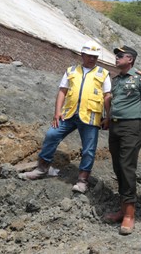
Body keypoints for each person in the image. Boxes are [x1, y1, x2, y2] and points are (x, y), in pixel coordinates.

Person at [20, 41, 112, 193]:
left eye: (95, 57)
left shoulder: (103, 74)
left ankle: (82, 180)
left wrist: (108, 117)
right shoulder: (71, 71)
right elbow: (62, 91)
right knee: (51, 135)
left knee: (89, 149)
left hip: (90, 116)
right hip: (69, 114)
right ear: (82, 55)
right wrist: (57, 112)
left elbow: (107, 96)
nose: (92, 59)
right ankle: (42, 168)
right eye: (89, 56)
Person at [102, 45, 141, 235]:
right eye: (116, 56)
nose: (116, 58)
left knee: (126, 166)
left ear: (130, 59)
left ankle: (130, 215)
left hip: (132, 126)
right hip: (115, 126)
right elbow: (112, 101)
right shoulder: (115, 81)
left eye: (120, 56)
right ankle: (123, 209)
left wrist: (137, 120)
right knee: (118, 166)